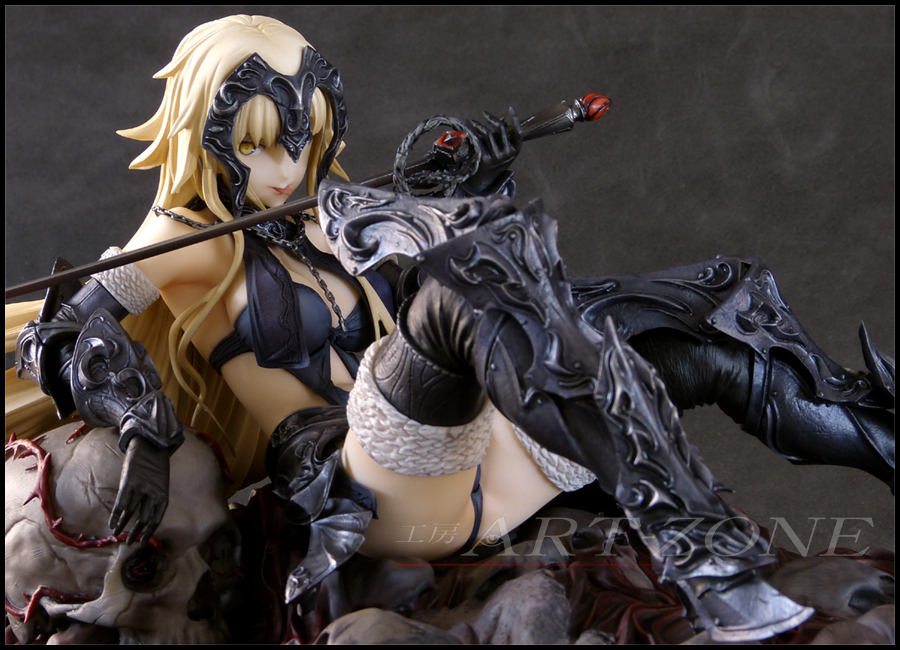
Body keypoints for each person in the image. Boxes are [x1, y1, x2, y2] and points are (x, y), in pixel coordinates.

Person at [9, 14, 892, 642]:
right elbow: (56, 334)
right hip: (357, 485)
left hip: (469, 433)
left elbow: (476, 315)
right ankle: (703, 551)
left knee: (720, 306)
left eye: (302, 137)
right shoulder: (184, 239)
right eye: (254, 144)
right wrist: (141, 424)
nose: (284, 168)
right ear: (203, 140)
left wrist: (475, 185)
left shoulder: (335, 212)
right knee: (466, 278)